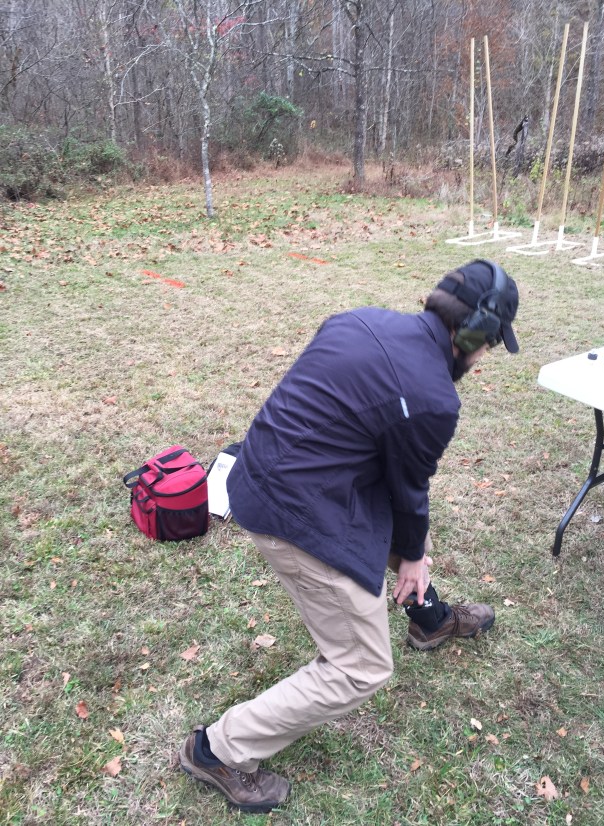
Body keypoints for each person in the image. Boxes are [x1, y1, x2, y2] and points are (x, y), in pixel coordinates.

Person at [178, 258, 520, 813]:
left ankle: (429, 618)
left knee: (406, 530)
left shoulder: (357, 320)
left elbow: (391, 476)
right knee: (362, 667)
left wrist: (413, 550)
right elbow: (410, 491)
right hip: (291, 510)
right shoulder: (434, 398)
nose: (485, 357)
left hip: (270, 475)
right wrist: (412, 555)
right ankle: (217, 750)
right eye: (491, 343)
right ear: (472, 333)